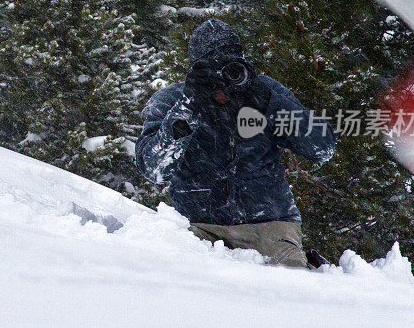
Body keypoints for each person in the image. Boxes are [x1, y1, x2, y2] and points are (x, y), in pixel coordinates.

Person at [135, 19, 336, 268]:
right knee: (180, 274)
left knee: (290, 282)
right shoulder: (174, 101)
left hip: (268, 225)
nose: (222, 82)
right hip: (199, 228)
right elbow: (152, 169)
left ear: (243, 64)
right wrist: (187, 109)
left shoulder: (265, 92)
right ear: (194, 71)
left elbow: (322, 147)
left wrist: (269, 102)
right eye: (211, 72)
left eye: (231, 69)